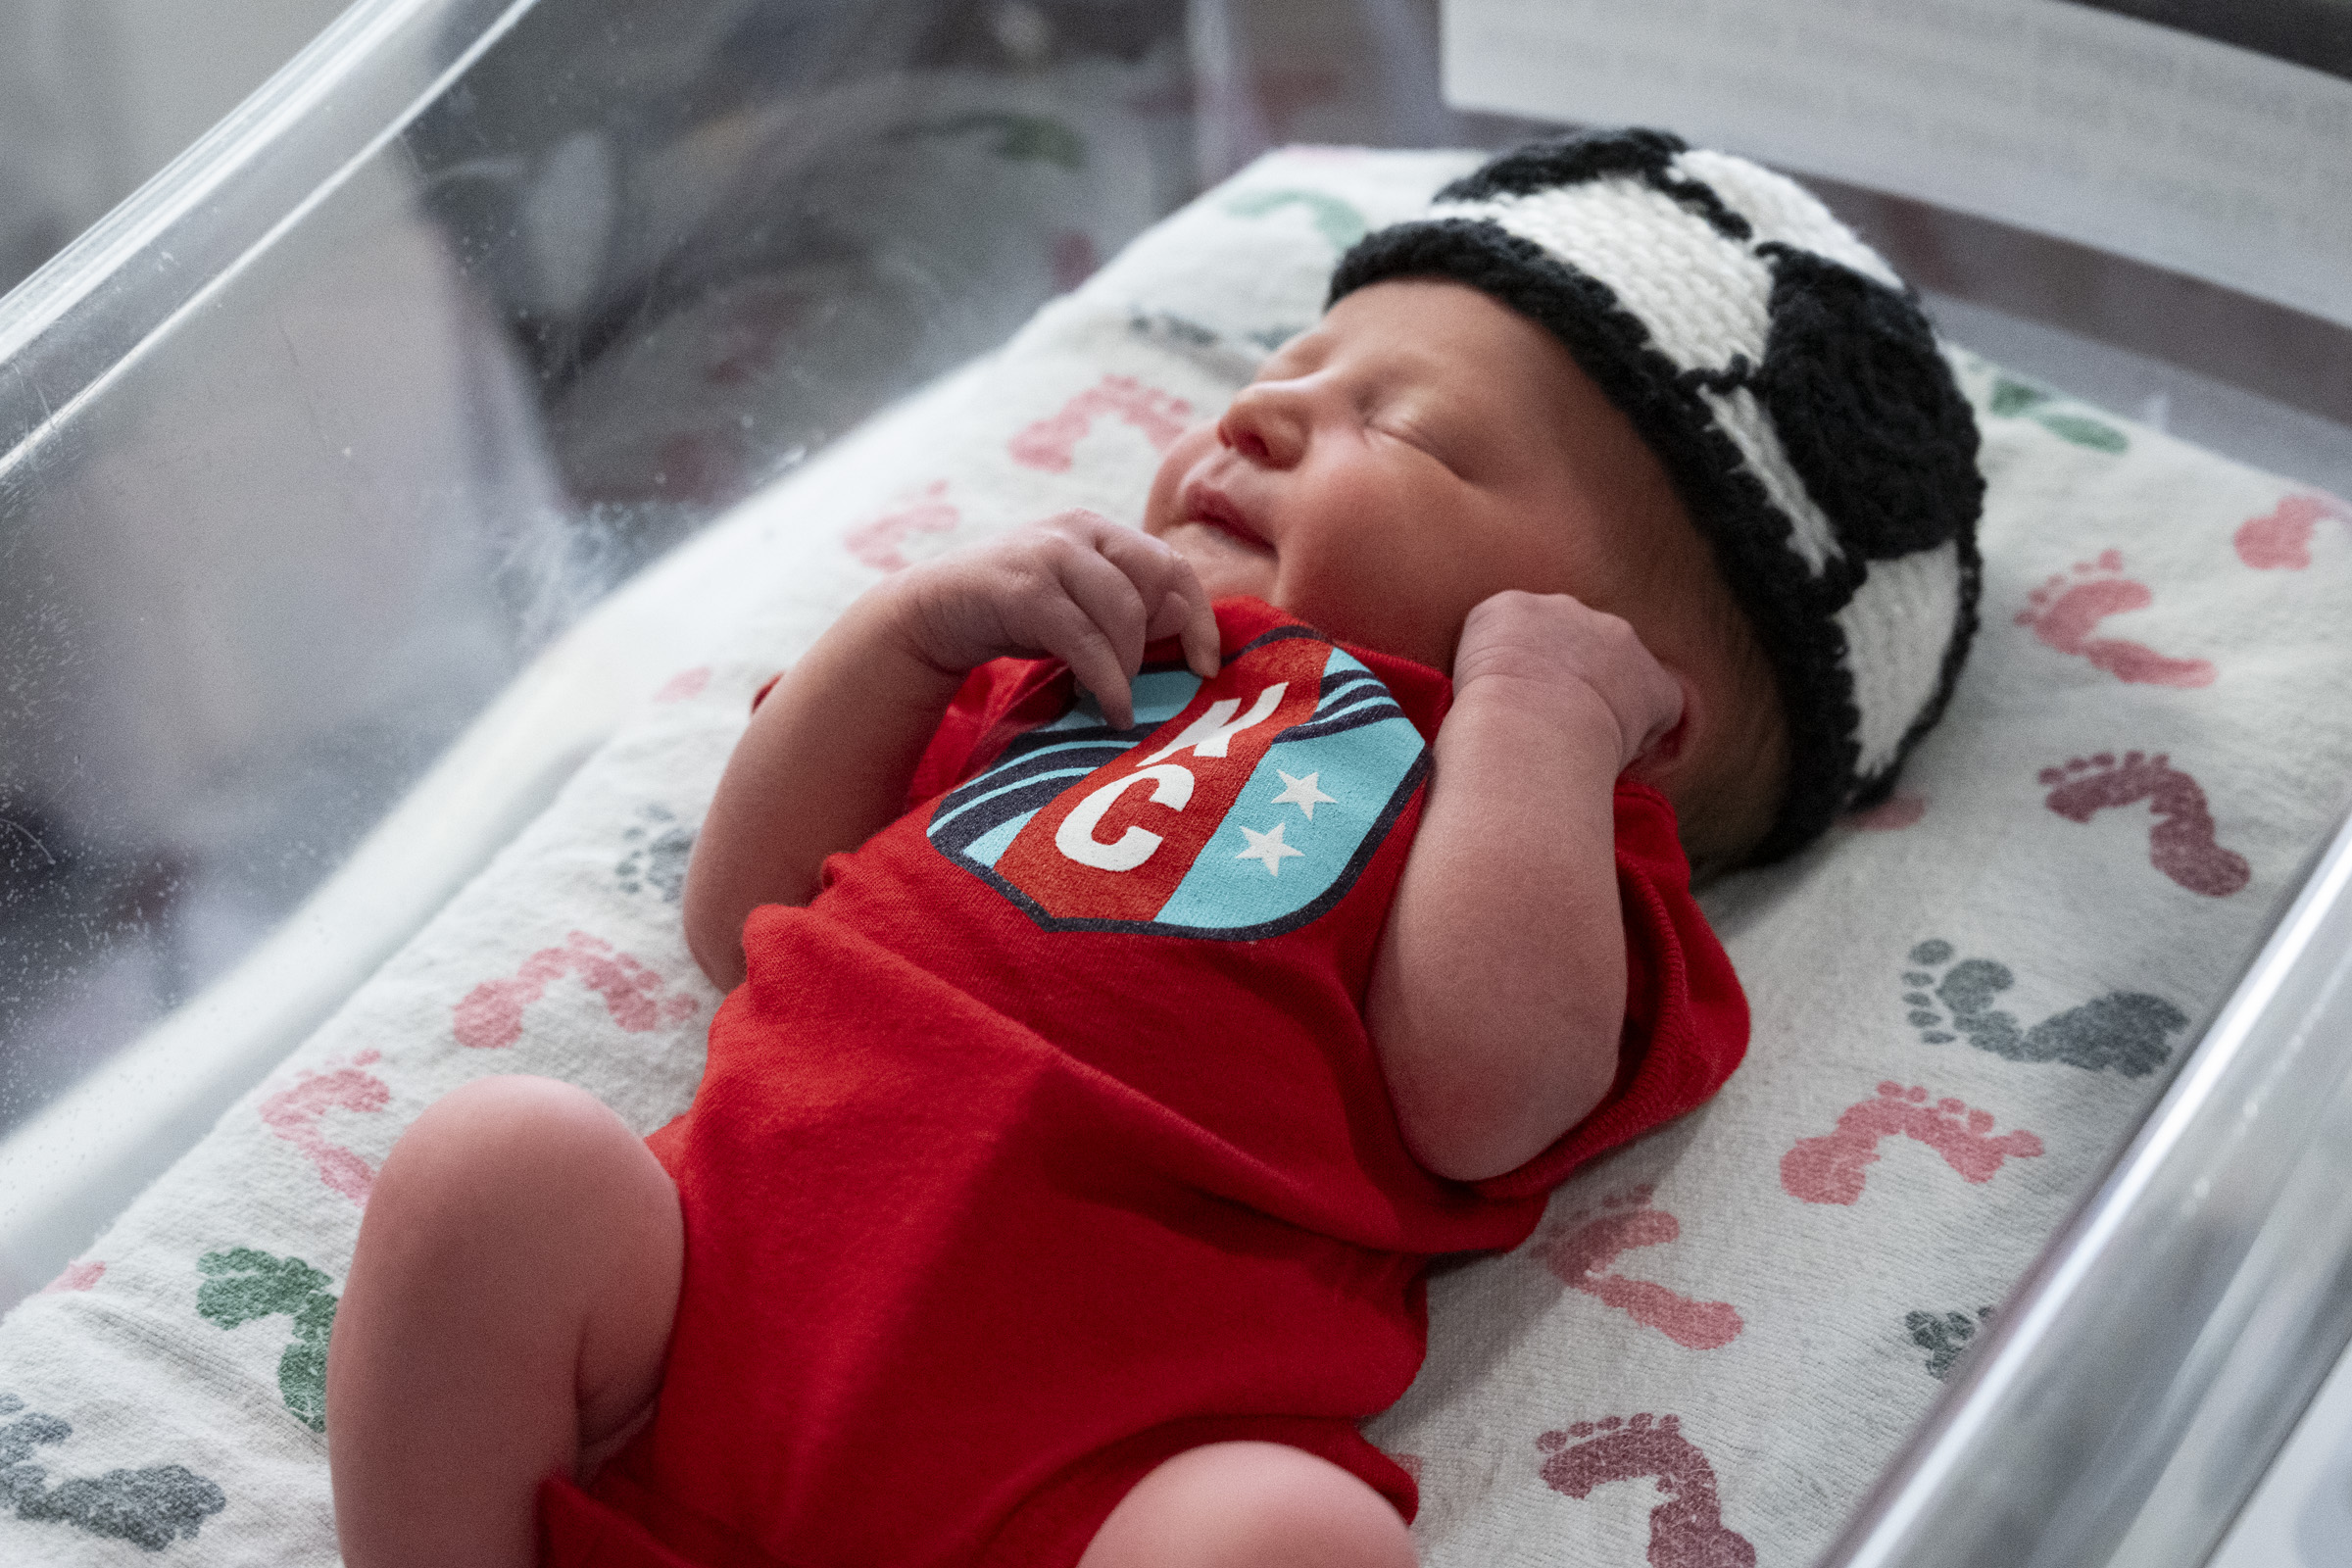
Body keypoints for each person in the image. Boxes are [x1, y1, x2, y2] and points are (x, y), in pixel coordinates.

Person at [323, 128, 1983, 1568]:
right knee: (499, 1170)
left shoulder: (1536, 818)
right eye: (1283, 373)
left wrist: (1539, 724)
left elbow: (1484, 1090)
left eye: (1400, 431)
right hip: (684, 1349)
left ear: (1634, 678)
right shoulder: (1110, 657)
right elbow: (738, 910)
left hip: (1070, 1495)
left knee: (1287, 1538)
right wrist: (903, 637)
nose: (1258, 414)